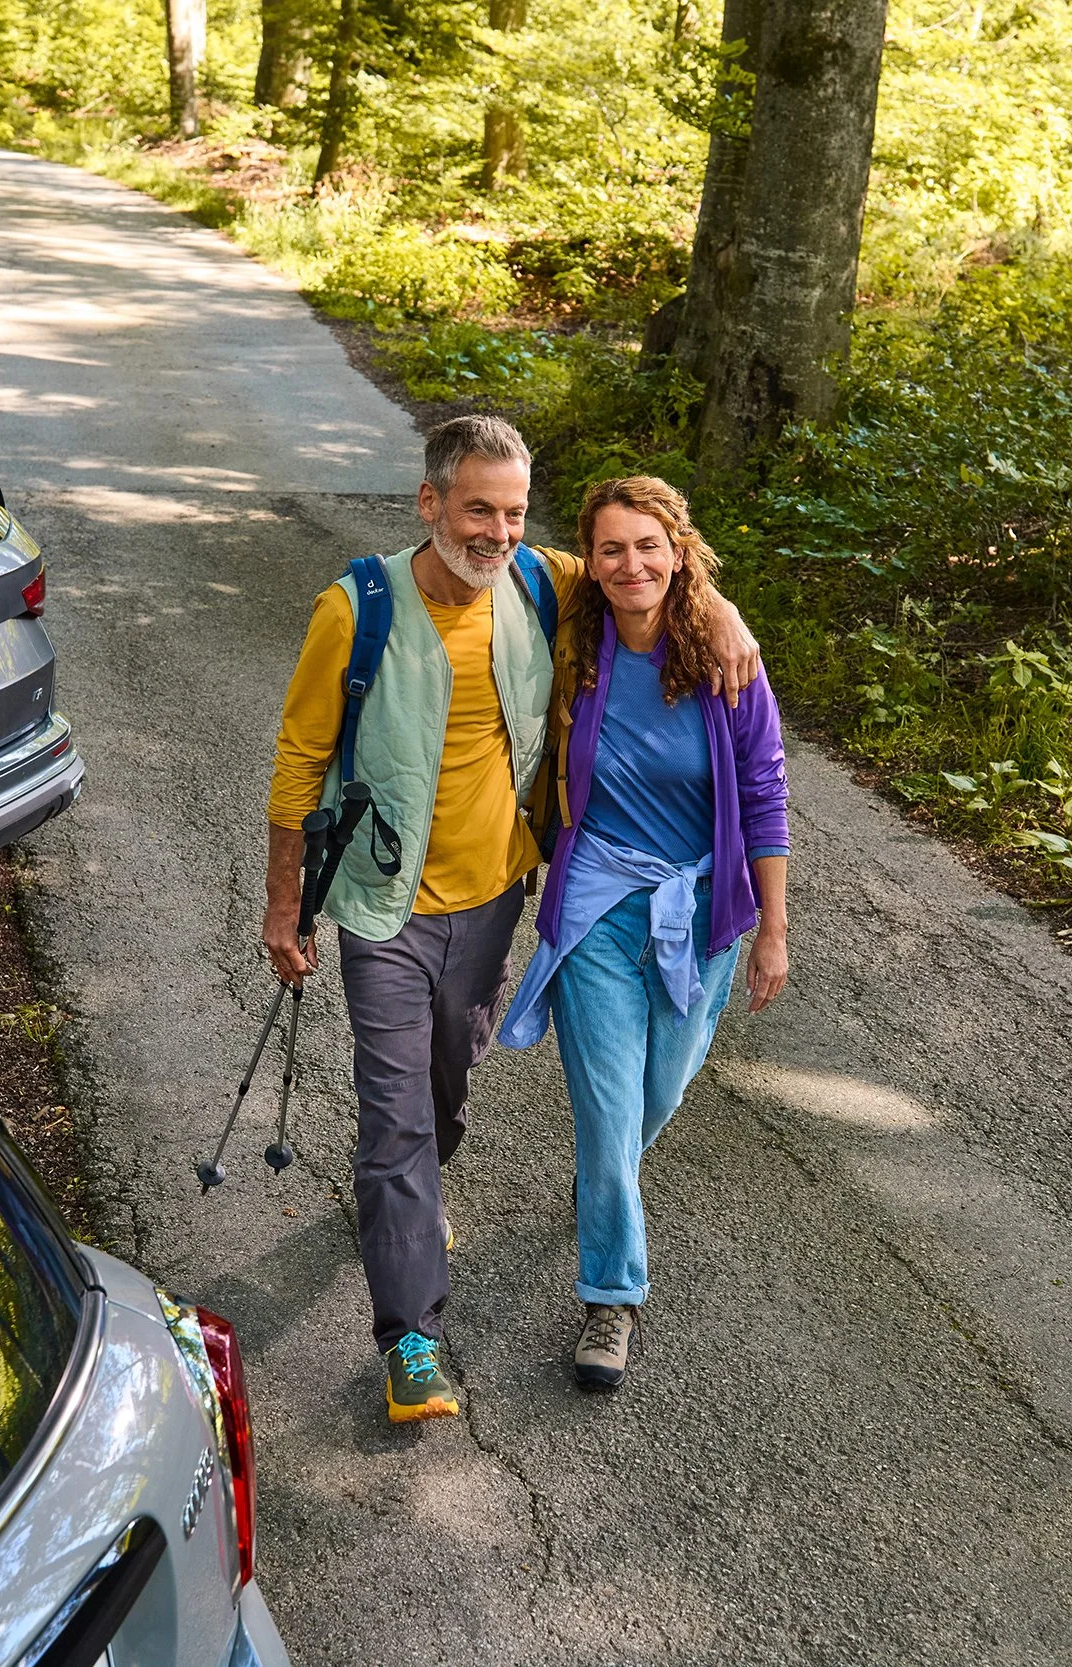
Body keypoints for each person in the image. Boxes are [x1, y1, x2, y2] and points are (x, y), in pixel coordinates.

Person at [263, 417, 761, 1425]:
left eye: (512, 510)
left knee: (447, 1083)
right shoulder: (355, 608)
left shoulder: (540, 582)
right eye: (477, 507)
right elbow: (297, 762)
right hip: (381, 905)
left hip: (495, 898)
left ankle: (415, 1196)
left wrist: (732, 616)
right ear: (431, 502)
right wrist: (283, 905)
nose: (494, 529)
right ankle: (409, 1337)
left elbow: (652, 567)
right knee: (393, 1115)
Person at [496, 475, 790, 1392]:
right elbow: (477, 569)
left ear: (678, 550)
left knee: (658, 1092)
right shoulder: (569, 636)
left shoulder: (726, 660)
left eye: (649, 546)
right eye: (611, 548)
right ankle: (611, 1296)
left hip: (700, 914)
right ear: (591, 557)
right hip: (595, 904)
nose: (632, 564)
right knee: (610, 1103)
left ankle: (602, 1183)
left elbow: (765, 795)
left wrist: (772, 927)